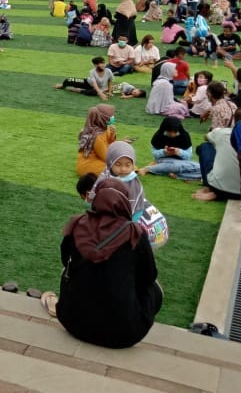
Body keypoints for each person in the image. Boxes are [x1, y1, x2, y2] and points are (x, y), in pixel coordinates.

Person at [52, 178, 163, 348]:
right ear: (125, 201)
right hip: (124, 335)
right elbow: (149, 276)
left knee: (68, 271)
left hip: (74, 324)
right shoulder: (135, 233)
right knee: (154, 288)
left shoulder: (77, 224)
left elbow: (65, 260)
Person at [76, 104, 116, 178]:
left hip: (83, 164)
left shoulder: (88, 129)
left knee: (121, 164)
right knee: (119, 167)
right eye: (111, 118)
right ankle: (136, 171)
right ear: (103, 119)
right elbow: (106, 157)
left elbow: (109, 142)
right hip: (90, 167)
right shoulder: (98, 136)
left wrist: (113, 134)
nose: (113, 120)